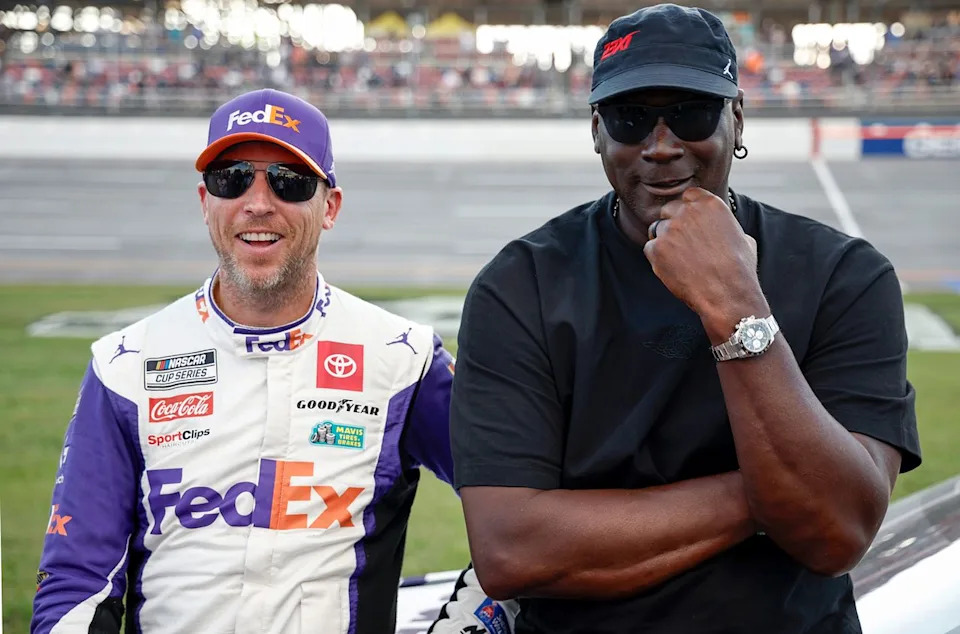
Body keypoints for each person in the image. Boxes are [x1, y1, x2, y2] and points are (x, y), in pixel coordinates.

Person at [450, 5, 921, 634]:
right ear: (597, 132)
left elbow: (837, 533)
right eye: (631, 118)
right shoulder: (520, 286)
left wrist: (734, 305)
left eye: (693, 114)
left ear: (737, 119)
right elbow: (510, 550)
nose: (663, 145)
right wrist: (774, 495)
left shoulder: (846, 276)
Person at [32, 88, 509, 634]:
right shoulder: (124, 365)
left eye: (289, 182)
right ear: (204, 201)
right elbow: (77, 580)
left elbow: (523, 510)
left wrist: (477, 617)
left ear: (328, 206)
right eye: (232, 178)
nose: (258, 203)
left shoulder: (403, 359)